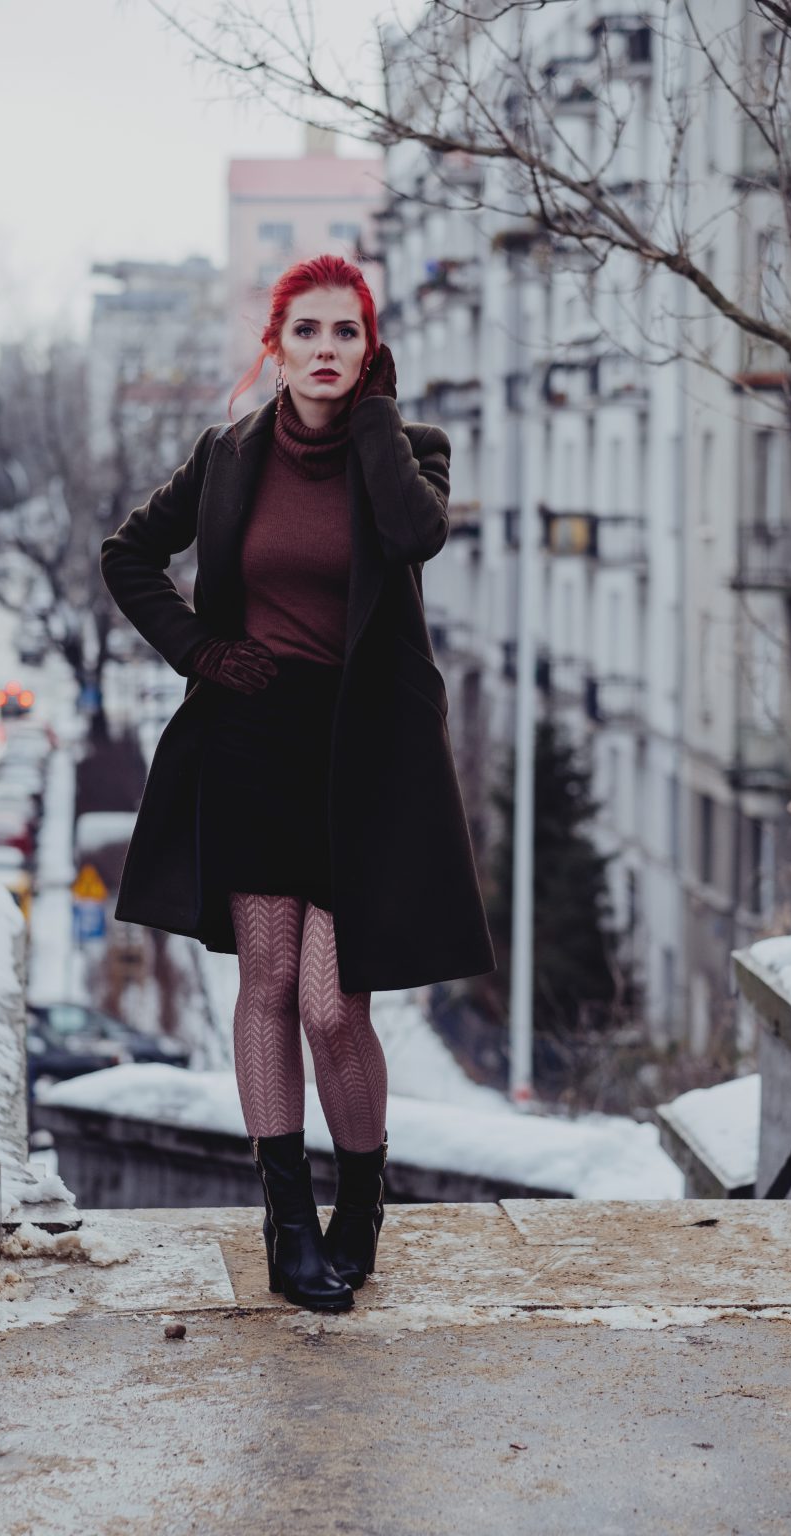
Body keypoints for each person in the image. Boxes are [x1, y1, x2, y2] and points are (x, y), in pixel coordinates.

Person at [100, 254, 495, 1314]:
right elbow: (128, 556)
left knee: (331, 1005)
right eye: (306, 332)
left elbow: (416, 538)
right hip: (253, 740)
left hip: (360, 755)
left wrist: (374, 422)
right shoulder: (227, 457)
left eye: (346, 334)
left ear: (370, 352)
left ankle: (361, 1200)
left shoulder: (408, 452)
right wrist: (199, 651)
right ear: (273, 346)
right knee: (266, 988)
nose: (325, 351)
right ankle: (285, 1226)